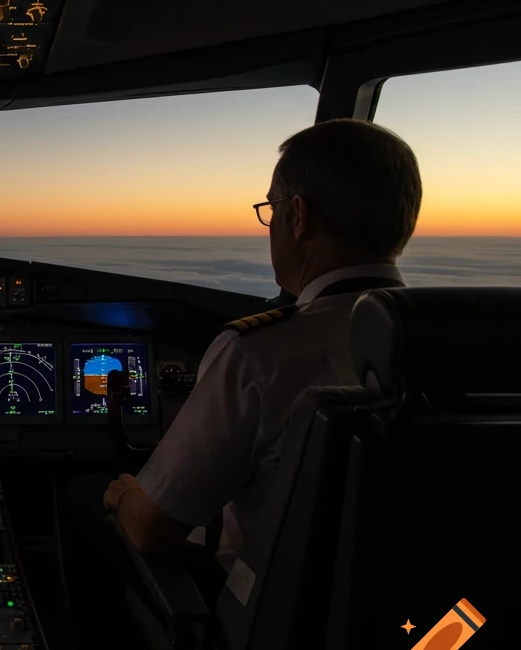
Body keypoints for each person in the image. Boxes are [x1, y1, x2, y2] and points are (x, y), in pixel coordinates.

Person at [102, 119, 422, 573]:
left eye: (272, 208)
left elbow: (152, 529)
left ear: (298, 216)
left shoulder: (257, 354)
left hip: (259, 607)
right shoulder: (477, 346)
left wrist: (126, 495)